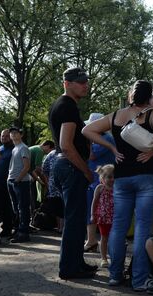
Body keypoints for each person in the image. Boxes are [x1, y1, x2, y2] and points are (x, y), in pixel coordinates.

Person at [82, 80, 153, 290]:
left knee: (118, 226)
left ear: (130, 94)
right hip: (148, 175)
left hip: (122, 177)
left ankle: (114, 275)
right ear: (149, 96)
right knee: (141, 227)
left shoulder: (116, 116)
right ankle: (139, 280)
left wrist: (112, 149)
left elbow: (87, 130)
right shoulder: (151, 114)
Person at [49, 67, 97, 280]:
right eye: (79, 81)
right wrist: (86, 170)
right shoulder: (67, 106)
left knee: (75, 219)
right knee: (74, 220)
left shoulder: (64, 105)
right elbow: (66, 145)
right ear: (66, 83)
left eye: (85, 81)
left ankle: (76, 262)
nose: (84, 84)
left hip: (64, 166)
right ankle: (69, 268)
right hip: (70, 166)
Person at [83, 112, 116, 253]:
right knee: (92, 211)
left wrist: (88, 142)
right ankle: (92, 240)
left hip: (101, 183)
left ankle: (93, 241)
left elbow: (91, 155)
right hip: (95, 181)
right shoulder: (102, 138)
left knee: (97, 211)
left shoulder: (106, 139)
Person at [6, 126, 31, 243]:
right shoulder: (14, 148)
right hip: (11, 181)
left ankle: (24, 233)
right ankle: (18, 230)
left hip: (20, 182)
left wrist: (17, 180)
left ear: (21, 134)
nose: (13, 135)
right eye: (11, 133)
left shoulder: (23, 148)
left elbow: (27, 167)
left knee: (23, 208)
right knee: (16, 208)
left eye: (16, 133)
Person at [90, 164, 115, 268]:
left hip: (115, 218)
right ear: (102, 178)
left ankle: (114, 257)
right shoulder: (100, 188)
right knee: (104, 238)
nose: (112, 179)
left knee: (114, 239)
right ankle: (104, 258)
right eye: (109, 177)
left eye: (114, 177)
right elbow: (94, 202)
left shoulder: (118, 188)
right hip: (103, 218)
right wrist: (92, 214)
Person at [0, 129, 15, 238]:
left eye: (7, 136)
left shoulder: (14, 150)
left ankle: (11, 228)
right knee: (1, 207)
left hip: (10, 183)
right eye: (2, 136)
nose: (4, 138)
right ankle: (5, 227)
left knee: (10, 207)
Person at [41, 148, 64, 233]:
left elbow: (44, 168)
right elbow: (44, 168)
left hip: (54, 185)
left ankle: (60, 227)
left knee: (57, 206)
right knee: (61, 205)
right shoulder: (70, 150)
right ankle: (62, 227)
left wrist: (48, 180)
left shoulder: (51, 153)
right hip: (61, 185)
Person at [29, 140, 55, 212]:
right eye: (51, 150)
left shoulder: (35, 148)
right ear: (47, 146)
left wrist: (40, 181)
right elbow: (38, 169)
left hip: (22, 174)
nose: (49, 153)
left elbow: (32, 169)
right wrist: (46, 183)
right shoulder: (40, 151)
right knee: (33, 197)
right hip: (22, 175)